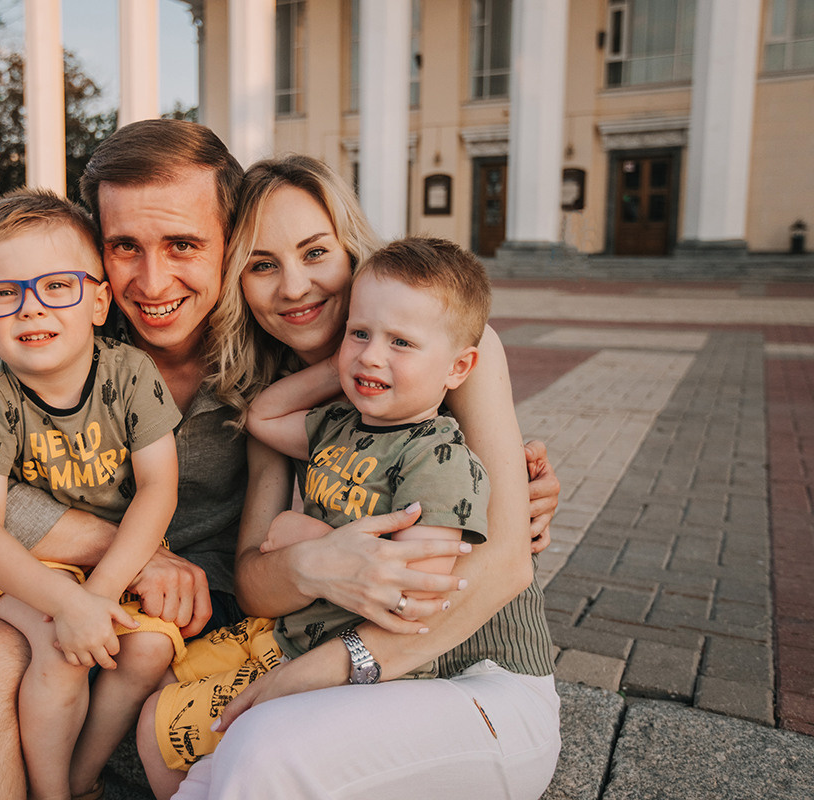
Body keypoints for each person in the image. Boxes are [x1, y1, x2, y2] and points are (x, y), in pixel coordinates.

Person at [0, 122, 559, 800]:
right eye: (126, 246)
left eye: (185, 246)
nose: (153, 283)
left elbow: (487, 541)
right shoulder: (73, 319)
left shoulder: (291, 349)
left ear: (225, 241)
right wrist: (132, 551)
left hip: (194, 615)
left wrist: (504, 496)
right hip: (53, 573)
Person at [139, 155, 559, 799]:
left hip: (479, 680)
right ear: (238, 283)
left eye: (315, 251)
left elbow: (505, 563)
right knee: (187, 739)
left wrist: (320, 669)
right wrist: (314, 560)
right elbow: (256, 585)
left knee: (263, 748)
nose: (295, 286)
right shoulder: (277, 400)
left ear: (350, 248)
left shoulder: (449, 346)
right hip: (339, 681)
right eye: (262, 264)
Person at [0, 189, 184, 800]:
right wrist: (66, 603)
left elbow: (159, 489)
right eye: (4, 294)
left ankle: (81, 779)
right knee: (59, 647)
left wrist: (97, 596)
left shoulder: (130, 375)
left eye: (57, 287)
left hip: (115, 561)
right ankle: (51, 792)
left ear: (99, 300)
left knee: (151, 649)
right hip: (26, 568)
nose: (31, 309)